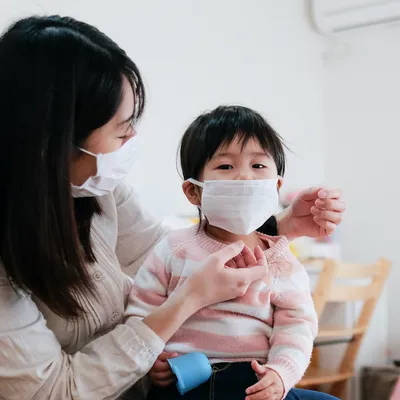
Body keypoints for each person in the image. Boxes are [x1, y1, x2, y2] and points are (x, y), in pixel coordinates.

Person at [0, 16, 345, 400]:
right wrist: (170, 331)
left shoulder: (98, 189)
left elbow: (293, 320)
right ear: (54, 141)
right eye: (122, 128)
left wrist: (277, 226)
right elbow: (54, 390)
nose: (133, 138)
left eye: (258, 166)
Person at [125, 106, 336, 400]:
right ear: (193, 192)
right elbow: (140, 310)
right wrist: (152, 357)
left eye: (258, 166)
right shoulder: (173, 248)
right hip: (184, 380)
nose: (245, 178)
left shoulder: (280, 260)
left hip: (253, 382)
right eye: (226, 167)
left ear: (276, 187)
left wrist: (280, 373)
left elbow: (297, 327)